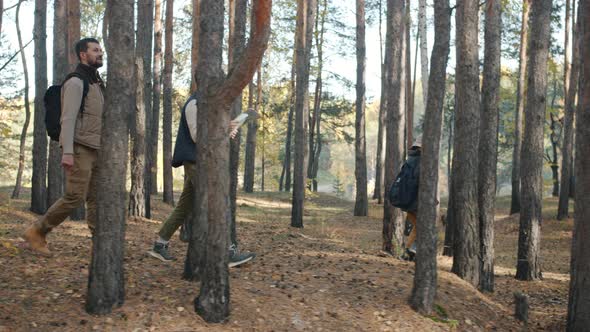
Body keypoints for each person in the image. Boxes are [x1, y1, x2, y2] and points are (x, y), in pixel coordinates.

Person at [147, 94, 255, 268]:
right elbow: (198, 136)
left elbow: (212, 137)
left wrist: (227, 131)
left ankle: (160, 244)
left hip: (203, 161)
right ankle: (226, 252)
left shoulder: (207, 104)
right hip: (196, 162)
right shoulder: (194, 104)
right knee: (216, 201)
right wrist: (224, 128)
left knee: (184, 206)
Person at [23, 38, 105, 256]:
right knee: (74, 196)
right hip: (80, 148)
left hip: (97, 148)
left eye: (101, 50)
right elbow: (67, 119)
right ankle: (38, 231)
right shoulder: (77, 82)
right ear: (82, 55)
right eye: (95, 50)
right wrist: (67, 151)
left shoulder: (96, 83)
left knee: (96, 197)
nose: (100, 53)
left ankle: (100, 245)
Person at [400, 137, 421, 261]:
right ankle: (409, 252)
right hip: (414, 201)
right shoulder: (419, 161)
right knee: (419, 226)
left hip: (407, 200)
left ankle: (410, 251)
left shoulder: (410, 160)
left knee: (416, 226)